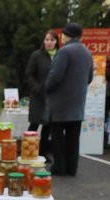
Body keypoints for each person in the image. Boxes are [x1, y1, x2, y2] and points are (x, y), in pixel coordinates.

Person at [45, 23, 93, 176]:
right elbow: (89, 77)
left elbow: (55, 76)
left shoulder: (64, 51)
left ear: (66, 35)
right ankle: (72, 168)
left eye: (63, 34)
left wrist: (47, 88)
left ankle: (59, 167)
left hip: (60, 103)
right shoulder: (87, 52)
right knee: (73, 139)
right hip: (78, 103)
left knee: (58, 138)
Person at [25, 30, 58, 158]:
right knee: (35, 123)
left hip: (53, 97)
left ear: (56, 42)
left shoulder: (59, 55)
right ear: (43, 41)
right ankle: (27, 150)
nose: (49, 43)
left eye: (52, 40)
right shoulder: (37, 55)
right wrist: (37, 87)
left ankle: (43, 153)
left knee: (48, 126)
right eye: (47, 40)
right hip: (38, 95)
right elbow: (29, 74)